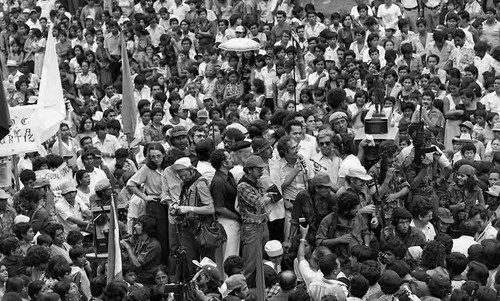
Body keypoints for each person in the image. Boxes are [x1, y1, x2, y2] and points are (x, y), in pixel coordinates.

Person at [169, 157, 216, 279]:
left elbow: (210, 208)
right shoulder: (185, 184)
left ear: (191, 170)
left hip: (201, 228)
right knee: (189, 262)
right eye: (180, 176)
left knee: (206, 262)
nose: (183, 178)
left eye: (185, 175)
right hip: (188, 227)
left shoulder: (200, 183)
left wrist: (189, 208)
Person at [120, 215, 162, 285]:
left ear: (146, 228)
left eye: (138, 224)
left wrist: (127, 247)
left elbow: (137, 264)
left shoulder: (154, 245)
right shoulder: (137, 240)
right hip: (136, 274)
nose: (135, 226)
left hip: (147, 278)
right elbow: (127, 258)